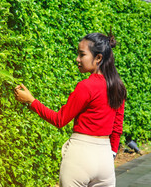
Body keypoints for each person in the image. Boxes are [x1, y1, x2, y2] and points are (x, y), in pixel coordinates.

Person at [14, 33, 126, 187]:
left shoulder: (86, 86)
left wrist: (31, 101)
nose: (77, 59)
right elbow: (117, 128)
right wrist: (111, 153)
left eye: (82, 54)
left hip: (80, 156)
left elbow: (59, 120)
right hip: (105, 157)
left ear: (98, 58)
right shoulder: (118, 87)